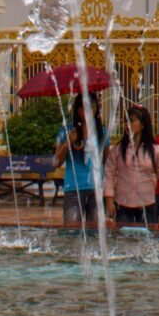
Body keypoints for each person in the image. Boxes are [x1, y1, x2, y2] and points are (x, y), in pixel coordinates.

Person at [105, 105, 159, 229]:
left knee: (147, 243)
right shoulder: (118, 149)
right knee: (124, 242)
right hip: (123, 205)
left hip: (147, 205)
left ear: (143, 125)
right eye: (126, 120)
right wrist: (109, 200)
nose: (127, 124)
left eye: (131, 121)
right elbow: (108, 174)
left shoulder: (155, 150)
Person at [54, 93, 102, 234]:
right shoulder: (66, 131)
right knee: (71, 232)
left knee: (95, 234)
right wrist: (67, 143)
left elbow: (105, 161)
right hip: (74, 188)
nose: (89, 111)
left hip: (95, 190)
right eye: (85, 107)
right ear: (78, 110)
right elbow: (56, 162)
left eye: (92, 107)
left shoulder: (101, 132)